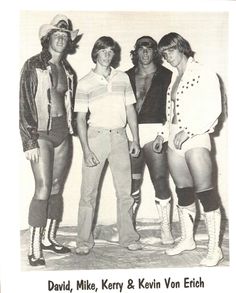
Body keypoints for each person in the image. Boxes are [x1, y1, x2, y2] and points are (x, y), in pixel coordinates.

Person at [154, 32, 223, 266]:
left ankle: (214, 250)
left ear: (181, 47)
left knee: (206, 192)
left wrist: (190, 131)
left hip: (196, 138)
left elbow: (214, 109)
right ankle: (187, 239)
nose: (167, 57)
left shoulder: (204, 73)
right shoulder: (174, 77)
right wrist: (162, 134)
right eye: (163, 54)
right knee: (183, 190)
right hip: (175, 139)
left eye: (170, 50)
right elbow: (171, 113)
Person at [19, 15, 82, 266]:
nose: (61, 38)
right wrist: (29, 141)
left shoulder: (68, 71)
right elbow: (24, 103)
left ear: (68, 41)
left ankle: (48, 238)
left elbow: (72, 106)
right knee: (43, 189)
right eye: (56, 34)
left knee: (57, 188)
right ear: (47, 38)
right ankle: (34, 248)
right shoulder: (33, 64)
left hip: (62, 133)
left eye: (65, 35)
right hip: (41, 133)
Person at [74, 36, 142, 255]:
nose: (107, 54)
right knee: (88, 194)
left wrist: (136, 140)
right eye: (103, 50)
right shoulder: (85, 82)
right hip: (96, 138)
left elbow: (131, 110)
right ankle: (84, 241)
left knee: (125, 192)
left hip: (120, 138)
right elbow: (80, 119)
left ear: (114, 54)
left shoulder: (122, 78)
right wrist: (86, 149)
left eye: (111, 51)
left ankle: (129, 237)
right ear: (95, 53)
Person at [126, 36, 174, 244]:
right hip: (130, 134)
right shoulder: (125, 76)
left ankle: (165, 229)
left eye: (149, 49)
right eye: (141, 49)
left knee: (160, 180)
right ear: (135, 52)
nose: (145, 53)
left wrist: (163, 132)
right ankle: (129, 229)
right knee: (132, 184)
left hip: (156, 132)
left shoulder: (167, 75)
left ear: (155, 52)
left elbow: (174, 109)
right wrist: (124, 134)